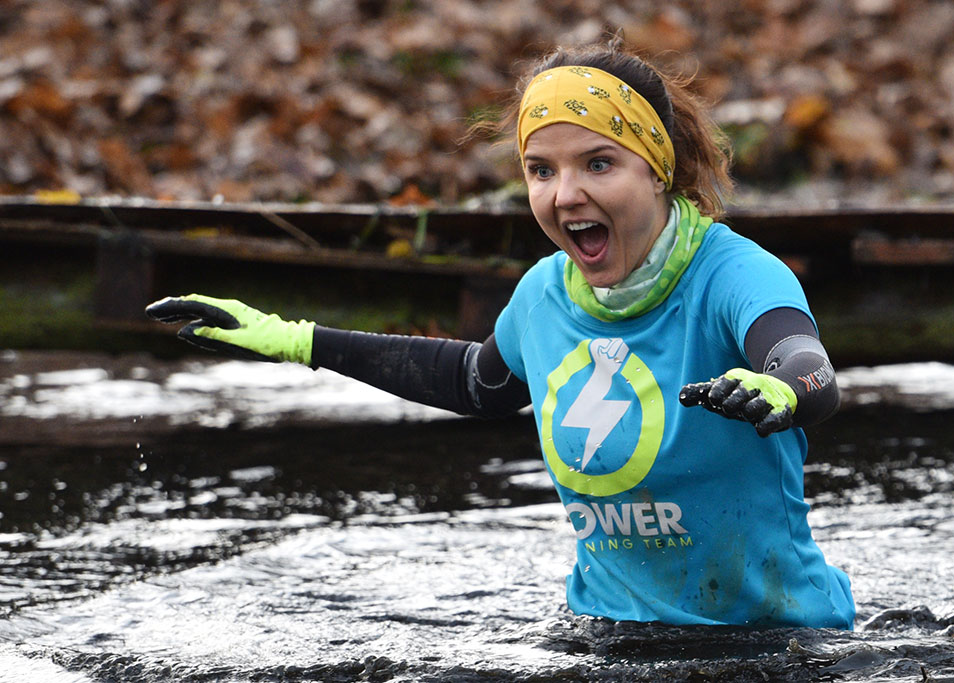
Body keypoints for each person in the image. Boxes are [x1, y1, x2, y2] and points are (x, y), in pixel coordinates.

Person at [146, 38, 855, 630]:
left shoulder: (735, 275)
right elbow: (474, 382)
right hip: (606, 635)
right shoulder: (543, 297)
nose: (563, 194)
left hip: (772, 644)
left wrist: (783, 389)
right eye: (540, 170)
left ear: (658, 167)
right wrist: (297, 340)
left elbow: (804, 361)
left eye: (597, 163)